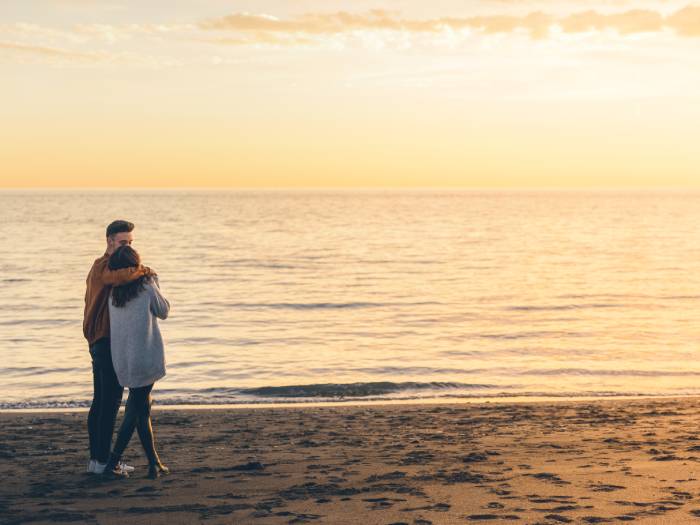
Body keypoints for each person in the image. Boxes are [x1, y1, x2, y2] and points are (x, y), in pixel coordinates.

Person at [84, 220, 153, 477]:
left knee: (100, 401)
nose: (127, 246)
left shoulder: (102, 266)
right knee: (110, 403)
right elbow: (120, 276)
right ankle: (104, 461)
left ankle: (96, 460)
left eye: (131, 243)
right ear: (110, 241)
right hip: (103, 341)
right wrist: (143, 270)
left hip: (97, 341)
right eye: (124, 242)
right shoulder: (104, 266)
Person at [102, 245, 170, 480]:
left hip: (123, 360)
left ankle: (154, 464)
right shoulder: (147, 285)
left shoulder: (113, 294)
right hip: (145, 358)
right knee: (135, 411)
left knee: (143, 409)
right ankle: (112, 462)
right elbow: (164, 311)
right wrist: (155, 281)